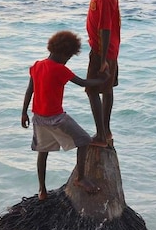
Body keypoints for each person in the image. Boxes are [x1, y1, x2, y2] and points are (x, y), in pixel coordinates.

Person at [21, 30, 106, 201]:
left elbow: (30, 90)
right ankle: (81, 178)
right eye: (68, 57)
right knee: (84, 140)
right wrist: (103, 79)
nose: (67, 60)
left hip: (38, 117)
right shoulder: (61, 70)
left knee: (42, 152)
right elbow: (83, 82)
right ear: (62, 53)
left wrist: (23, 112)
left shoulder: (37, 66)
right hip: (56, 118)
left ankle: (42, 190)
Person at [85, 0, 121, 147]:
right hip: (107, 51)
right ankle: (105, 131)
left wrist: (104, 59)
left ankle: (101, 134)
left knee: (92, 91)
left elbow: (105, 28)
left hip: (102, 52)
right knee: (106, 90)